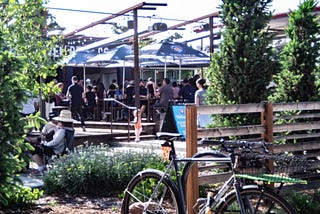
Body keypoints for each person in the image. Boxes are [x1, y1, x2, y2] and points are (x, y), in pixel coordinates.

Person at [28, 110, 75, 174]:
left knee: (34, 148)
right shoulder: (71, 130)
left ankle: (41, 167)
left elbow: (55, 142)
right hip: (63, 149)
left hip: (57, 150)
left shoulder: (62, 131)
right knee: (39, 147)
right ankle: (43, 166)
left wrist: (45, 145)